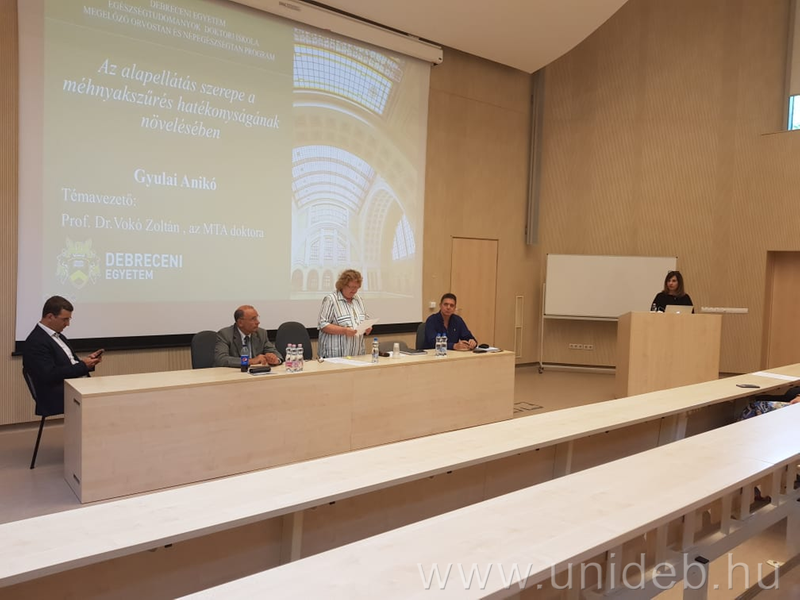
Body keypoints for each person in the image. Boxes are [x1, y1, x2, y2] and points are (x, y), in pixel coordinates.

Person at [22, 295, 103, 416]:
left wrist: (88, 362)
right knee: (106, 399)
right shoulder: (36, 342)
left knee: (109, 391)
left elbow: (69, 364)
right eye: (64, 319)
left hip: (75, 386)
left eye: (69, 319)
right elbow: (50, 375)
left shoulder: (58, 336)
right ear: (50, 317)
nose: (67, 324)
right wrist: (83, 366)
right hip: (57, 394)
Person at [318, 269, 372, 358]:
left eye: (357, 287)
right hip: (335, 356)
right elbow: (323, 325)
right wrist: (344, 331)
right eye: (352, 287)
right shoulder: (331, 300)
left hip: (357, 354)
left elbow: (365, 318)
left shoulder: (358, 299)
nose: (354, 290)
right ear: (343, 285)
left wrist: (367, 327)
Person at [214, 305, 283, 367]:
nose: (258, 322)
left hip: (256, 373)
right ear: (240, 323)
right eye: (253, 319)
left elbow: (275, 353)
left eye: (257, 318)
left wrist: (275, 359)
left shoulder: (261, 333)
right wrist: (250, 361)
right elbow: (221, 359)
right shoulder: (225, 334)